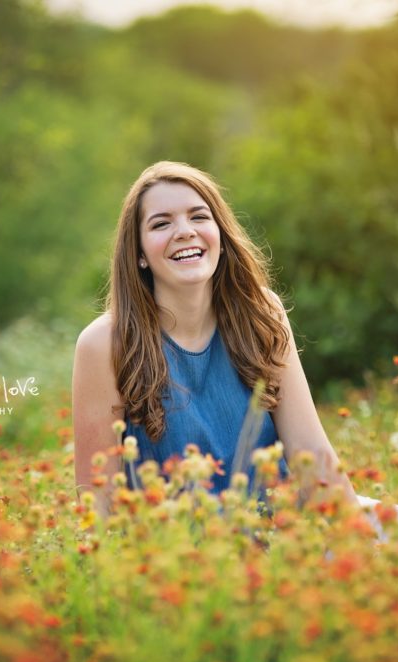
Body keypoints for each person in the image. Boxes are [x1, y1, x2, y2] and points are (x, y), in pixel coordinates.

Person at [72, 161, 359, 518]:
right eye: (161, 223)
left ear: (220, 235)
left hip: (286, 539)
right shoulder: (104, 344)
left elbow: (311, 453)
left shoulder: (262, 311)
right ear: (140, 254)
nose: (184, 231)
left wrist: (360, 547)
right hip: (185, 558)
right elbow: (98, 502)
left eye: (199, 217)